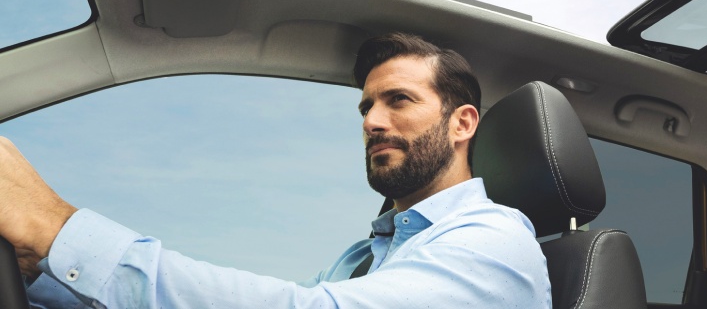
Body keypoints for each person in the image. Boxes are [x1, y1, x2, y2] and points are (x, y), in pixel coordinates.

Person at [0, 32, 552, 308]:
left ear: (462, 124)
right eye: (366, 108)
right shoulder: (365, 256)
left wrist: (56, 229)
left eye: (399, 101)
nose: (373, 122)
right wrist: (37, 269)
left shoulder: (495, 243)